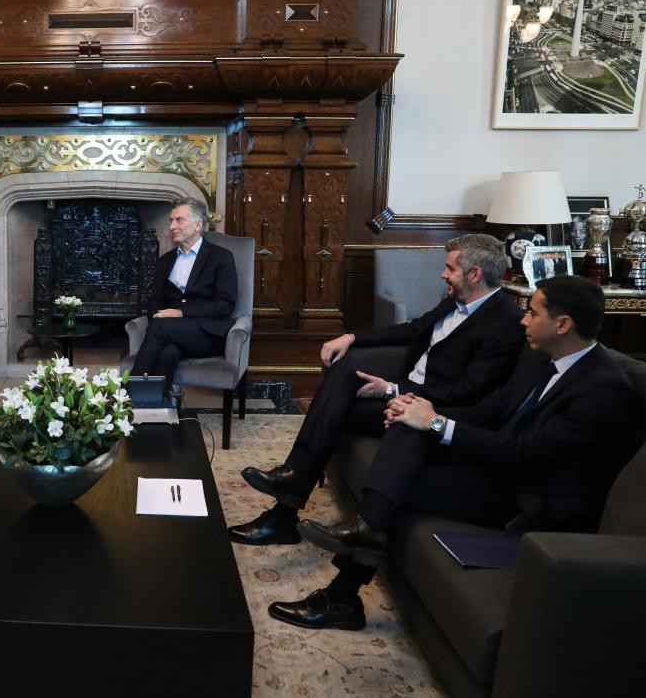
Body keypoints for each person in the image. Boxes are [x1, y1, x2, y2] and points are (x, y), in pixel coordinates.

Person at [269, 275, 638, 630]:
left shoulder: (604, 390)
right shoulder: (543, 358)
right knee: (408, 427)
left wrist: (437, 424)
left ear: (563, 324)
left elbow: (525, 453)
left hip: (529, 501)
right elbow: (489, 411)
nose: (523, 319)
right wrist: (419, 410)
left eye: (534, 313)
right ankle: (349, 579)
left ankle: (342, 591)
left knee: (392, 489)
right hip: (496, 470)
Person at [229, 234, 526, 547]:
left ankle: (284, 511)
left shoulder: (505, 322)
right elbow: (412, 330)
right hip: (405, 391)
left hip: (428, 407)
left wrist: (392, 390)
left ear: (475, 274)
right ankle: (294, 481)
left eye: (450, 268)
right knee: (344, 372)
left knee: (337, 411)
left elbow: (468, 391)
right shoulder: (455, 299)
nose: (443, 274)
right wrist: (352, 337)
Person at [130, 196, 237, 396]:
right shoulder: (165, 261)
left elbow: (225, 305)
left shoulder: (221, 257)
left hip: (207, 334)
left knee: (160, 329)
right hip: (170, 332)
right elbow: (154, 300)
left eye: (179, 220)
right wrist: (158, 315)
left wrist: (180, 313)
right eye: (171, 220)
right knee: (168, 352)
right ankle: (157, 408)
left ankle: (126, 397)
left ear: (197, 225)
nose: (172, 226)